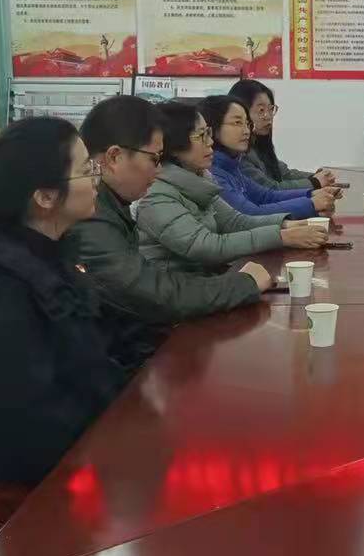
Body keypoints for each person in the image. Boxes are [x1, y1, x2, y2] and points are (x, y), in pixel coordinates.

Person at [0, 117, 125, 486]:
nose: (97, 178)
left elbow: (87, 359)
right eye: (87, 169)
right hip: (16, 501)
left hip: (80, 456)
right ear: (45, 197)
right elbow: (28, 438)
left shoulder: (43, 252)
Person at [69, 95, 271, 365]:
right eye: (155, 159)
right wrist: (242, 284)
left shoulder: (112, 204)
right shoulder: (91, 215)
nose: (158, 171)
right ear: (115, 157)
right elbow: (150, 292)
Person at [137, 100, 329, 270]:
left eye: (208, 133)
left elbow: (235, 222)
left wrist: (289, 225)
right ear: (173, 146)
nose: (210, 142)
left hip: (205, 278)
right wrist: (283, 236)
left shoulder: (201, 177)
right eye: (201, 136)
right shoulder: (156, 195)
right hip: (180, 288)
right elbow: (207, 246)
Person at [204, 95, 337, 221]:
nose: (246, 131)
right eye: (237, 122)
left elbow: (266, 196)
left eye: (247, 124)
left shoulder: (231, 165)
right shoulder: (212, 172)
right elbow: (250, 214)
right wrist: (311, 204)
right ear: (212, 127)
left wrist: (311, 194)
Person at [227, 78, 341, 195]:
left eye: (271, 109)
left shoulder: (259, 145)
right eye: (261, 110)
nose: (268, 116)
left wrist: (318, 177)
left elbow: (285, 174)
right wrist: (315, 182)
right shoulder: (239, 154)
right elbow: (270, 190)